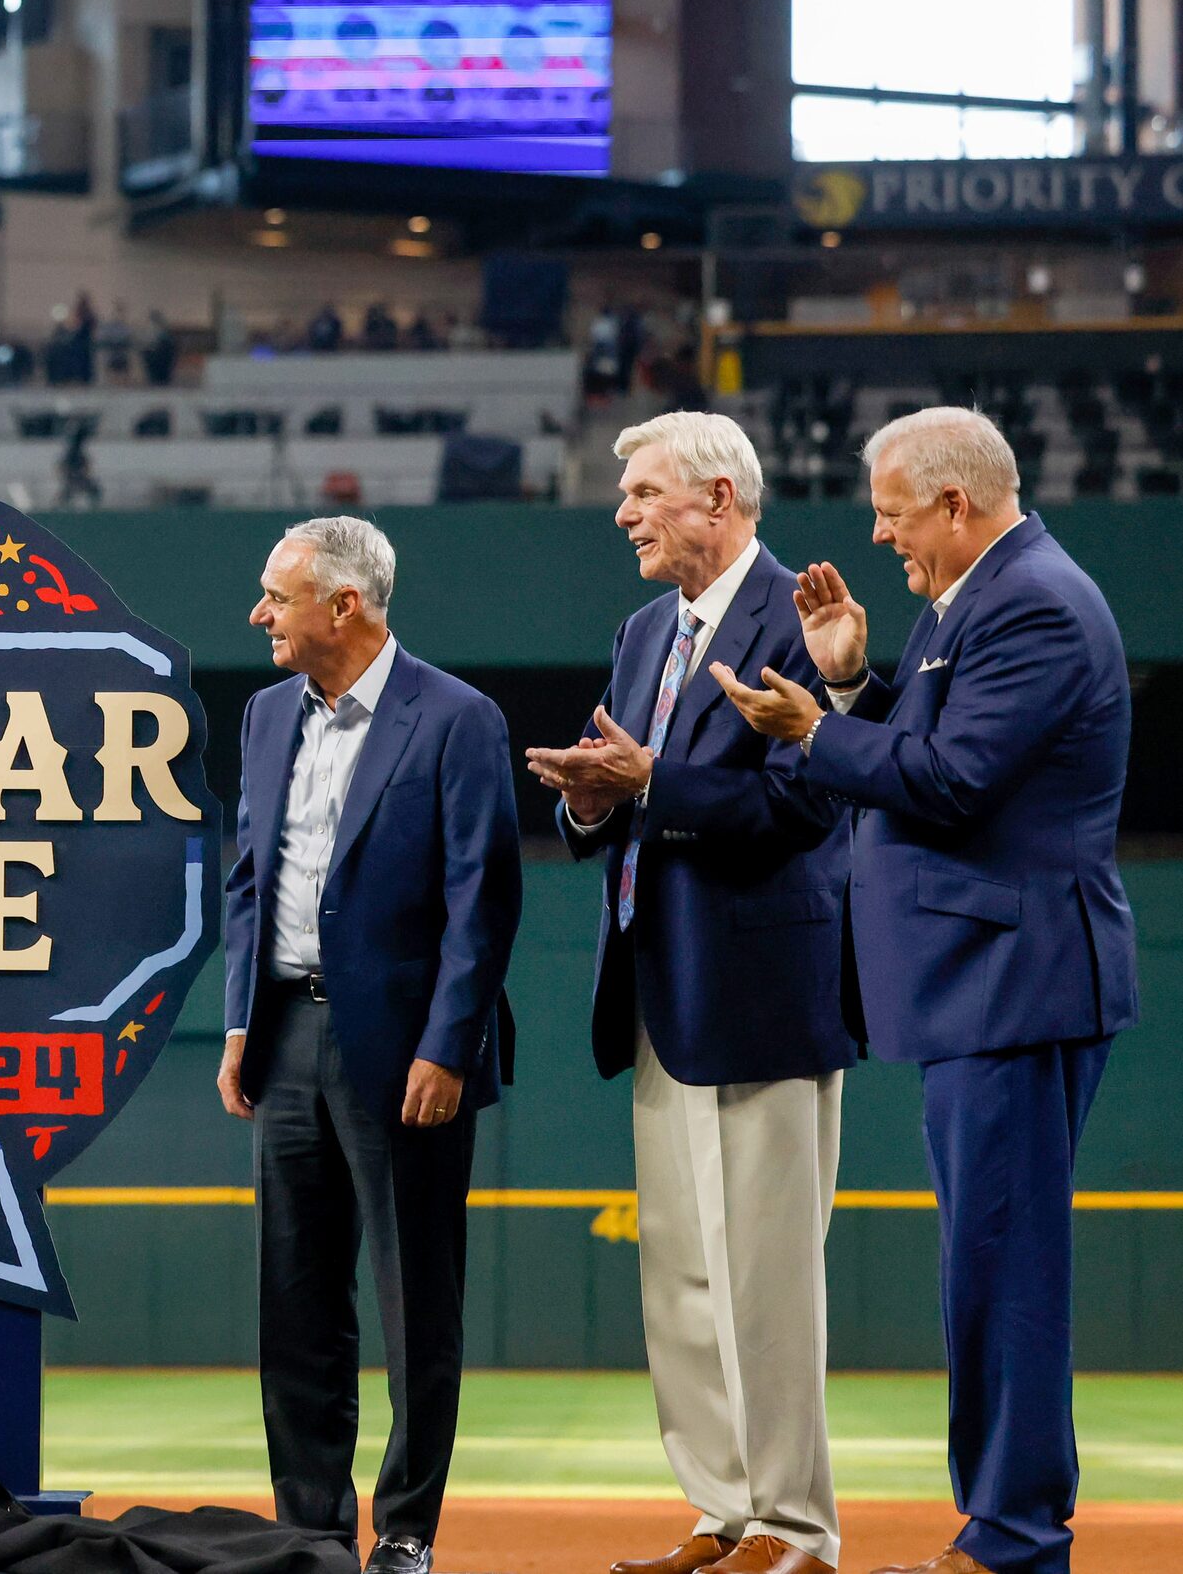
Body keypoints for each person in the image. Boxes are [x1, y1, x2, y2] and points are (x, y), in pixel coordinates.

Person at [713, 408, 1134, 1574]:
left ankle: (1007, 1541)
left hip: (1013, 982)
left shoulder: (1032, 602)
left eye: (894, 513)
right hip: (986, 984)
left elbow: (948, 781)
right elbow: (935, 748)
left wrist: (809, 728)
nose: (880, 534)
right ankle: (997, 1531)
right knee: (988, 1271)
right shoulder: (983, 599)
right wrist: (850, 679)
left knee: (1004, 1276)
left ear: (956, 503)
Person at [526, 414, 854, 1574]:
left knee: (765, 1273)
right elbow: (618, 793)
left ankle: (795, 1528)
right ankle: (722, 1513)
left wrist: (653, 778)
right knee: (680, 1272)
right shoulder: (638, 632)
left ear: (718, 498)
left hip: (761, 988)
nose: (622, 513)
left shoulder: (796, 618)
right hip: (658, 987)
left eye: (643, 493)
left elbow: (805, 803)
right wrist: (587, 799)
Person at [219, 517, 517, 1574]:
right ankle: (306, 1529)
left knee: (411, 1303)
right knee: (293, 1299)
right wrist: (240, 1021)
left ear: (341, 607)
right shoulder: (262, 717)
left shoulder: (455, 718)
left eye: (275, 596)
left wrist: (446, 1044)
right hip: (285, 1034)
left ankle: (402, 1530)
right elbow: (248, 881)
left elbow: (483, 899)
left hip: (403, 1053)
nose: (258, 615)